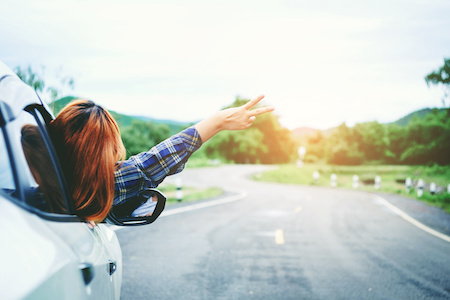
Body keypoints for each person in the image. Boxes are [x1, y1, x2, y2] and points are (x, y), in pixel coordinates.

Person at [48, 95, 274, 223]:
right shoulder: (102, 187)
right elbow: (154, 162)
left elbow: (152, 162)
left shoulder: (37, 187)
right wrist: (217, 122)